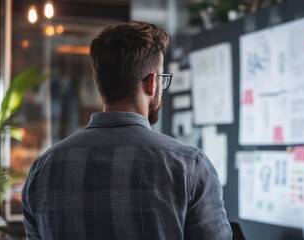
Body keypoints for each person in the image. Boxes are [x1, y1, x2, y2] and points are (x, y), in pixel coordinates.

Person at [22, 21, 232, 240]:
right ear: (152, 83)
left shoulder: (44, 168)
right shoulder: (188, 166)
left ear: (99, 82)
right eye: (162, 78)